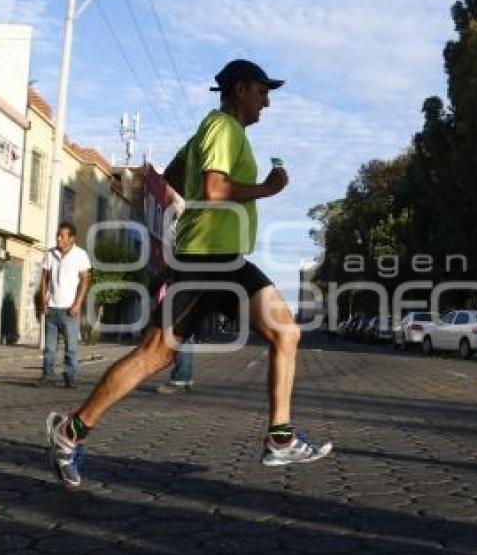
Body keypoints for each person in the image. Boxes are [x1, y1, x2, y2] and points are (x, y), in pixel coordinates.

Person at [45, 59, 332, 487]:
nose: (266, 101)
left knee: (283, 333)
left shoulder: (208, 131)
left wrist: (199, 200)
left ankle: (279, 437)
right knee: (156, 355)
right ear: (239, 89)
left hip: (223, 257)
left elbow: (177, 175)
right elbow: (215, 190)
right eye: (261, 91)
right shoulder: (222, 129)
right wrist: (266, 189)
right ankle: (70, 431)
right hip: (208, 259)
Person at [37, 221, 91, 389]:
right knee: (49, 347)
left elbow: (84, 281)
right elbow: (45, 278)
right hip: (52, 308)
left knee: (71, 347)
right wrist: (44, 300)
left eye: (62, 236)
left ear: (71, 238)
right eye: (57, 235)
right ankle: (47, 375)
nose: (58, 238)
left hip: (69, 310)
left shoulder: (80, 255)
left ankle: (70, 376)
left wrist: (77, 303)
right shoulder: (50, 254)